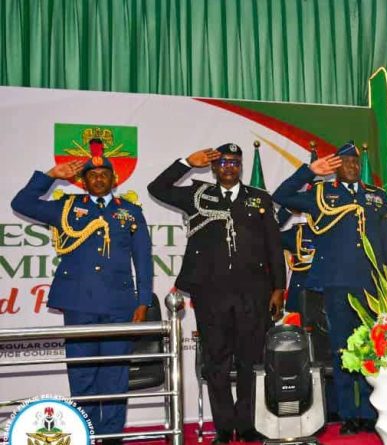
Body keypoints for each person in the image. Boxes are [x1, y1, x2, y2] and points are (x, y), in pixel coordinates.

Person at [11, 139, 153, 443]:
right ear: (83, 180)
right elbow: (21, 204)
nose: (99, 178)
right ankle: (86, 433)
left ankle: (111, 436)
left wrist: (142, 302)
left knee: (115, 374)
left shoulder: (131, 212)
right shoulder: (68, 207)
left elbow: (142, 261)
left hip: (119, 305)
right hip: (80, 304)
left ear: (114, 179)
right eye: (92, 175)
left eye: (104, 174)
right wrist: (51, 175)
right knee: (82, 374)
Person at [148, 144, 285, 444]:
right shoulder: (198, 196)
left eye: (235, 162)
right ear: (213, 167)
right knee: (216, 363)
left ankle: (247, 425)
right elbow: (157, 188)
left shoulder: (259, 199)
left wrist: (279, 288)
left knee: (251, 361)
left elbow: (274, 247)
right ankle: (224, 427)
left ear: (241, 167)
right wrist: (185, 163)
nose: (229, 167)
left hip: (254, 295)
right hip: (211, 295)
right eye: (223, 162)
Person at [272, 142, 387, 435]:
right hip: (337, 284)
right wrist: (309, 172)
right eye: (345, 163)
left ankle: (370, 412)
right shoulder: (320, 194)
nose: (352, 166)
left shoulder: (376, 196)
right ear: (336, 168)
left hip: (372, 285)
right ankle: (348, 413)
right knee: (342, 349)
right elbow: (281, 196)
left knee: (372, 350)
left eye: (355, 162)